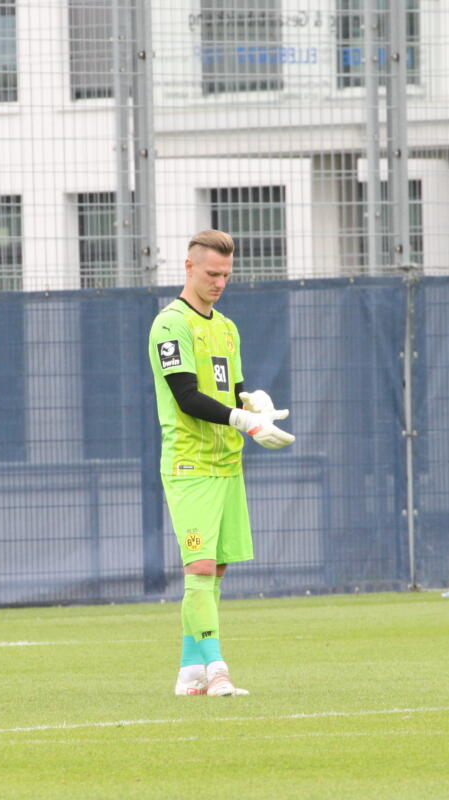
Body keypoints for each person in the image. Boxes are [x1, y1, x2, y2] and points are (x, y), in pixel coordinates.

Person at [148, 229, 295, 697]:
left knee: (218, 571)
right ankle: (216, 669)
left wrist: (254, 408)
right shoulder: (170, 325)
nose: (220, 282)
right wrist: (242, 420)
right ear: (189, 268)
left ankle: (189, 672)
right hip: (189, 467)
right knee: (200, 568)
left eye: (227, 275)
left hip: (227, 466)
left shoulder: (227, 328)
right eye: (212, 273)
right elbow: (187, 397)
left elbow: (229, 392)